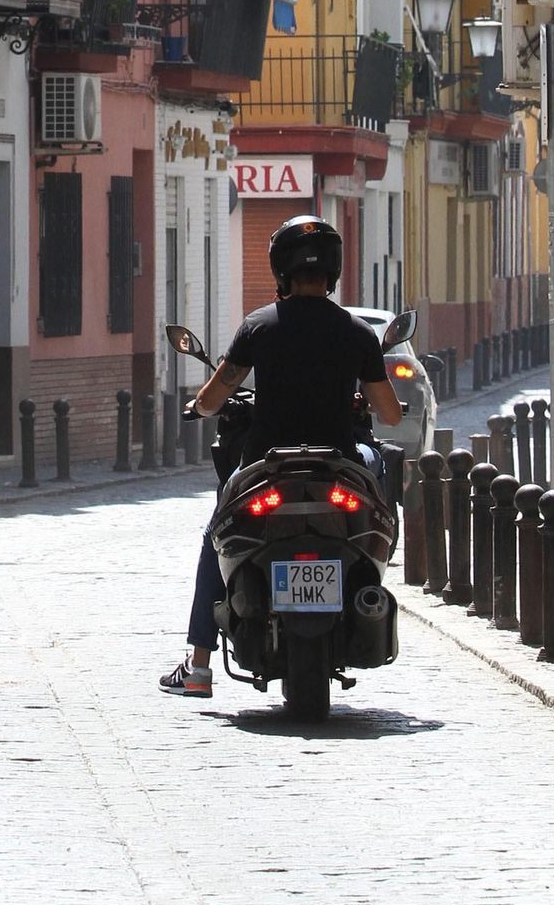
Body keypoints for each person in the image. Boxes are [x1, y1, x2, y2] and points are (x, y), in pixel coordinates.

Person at [159, 215, 403, 699]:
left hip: (265, 467)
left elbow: (214, 395)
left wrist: (197, 407)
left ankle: (200, 666)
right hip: (337, 462)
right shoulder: (356, 333)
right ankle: (370, 580)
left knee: (217, 535)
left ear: (281, 270)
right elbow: (390, 414)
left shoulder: (259, 326)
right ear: (331, 272)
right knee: (379, 482)